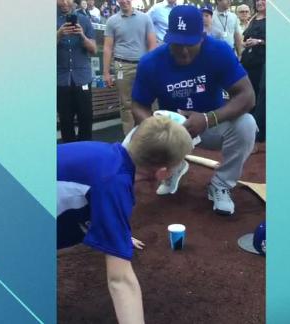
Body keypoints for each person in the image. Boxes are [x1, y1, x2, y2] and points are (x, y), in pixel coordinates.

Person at [57, 116, 193, 323]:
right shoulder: (113, 183)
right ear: (162, 172)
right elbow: (120, 281)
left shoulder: (111, 157)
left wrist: (120, 233)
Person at [131, 5, 257, 215]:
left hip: (211, 125)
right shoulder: (151, 62)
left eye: (190, 43)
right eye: (177, 44)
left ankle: (221, 183)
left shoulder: (218, 51)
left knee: (247, 124)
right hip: (173, 132)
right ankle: (173, 167)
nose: (184, 50)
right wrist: (154, 127)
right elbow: (138, 105)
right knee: (139, 133)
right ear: (167, 37)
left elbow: (247, 96)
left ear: (202, 36)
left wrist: (208, 119)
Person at [103, 0, 157, 135]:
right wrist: (106, 73)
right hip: (122, 66)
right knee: (126, 105)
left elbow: (152, 44)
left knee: (150, 102)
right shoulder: (112, 21)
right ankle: (130, 141)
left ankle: (150, 136)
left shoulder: (145, 18)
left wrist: (151, 66)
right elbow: (107, 47)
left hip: (143, 65)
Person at [57, 0, 97, 143]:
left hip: (82, 78)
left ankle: (85, 152)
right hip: (61, 79)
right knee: (65, 121)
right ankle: (69, 154)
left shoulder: (85, 20)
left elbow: (93, 50)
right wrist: (59, 35)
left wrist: (82, 36)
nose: (65, 3)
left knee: (86, 118)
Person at [241, 0, 265, 143]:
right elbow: (244, 38)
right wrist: (245, 43)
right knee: (249, 95)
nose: (259, 2)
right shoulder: (252, 19)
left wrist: (260, 42)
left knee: (260, 97)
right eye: (257, 0)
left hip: (262, 63)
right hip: (248, 63)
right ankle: (248, 129)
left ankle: (259, 132)